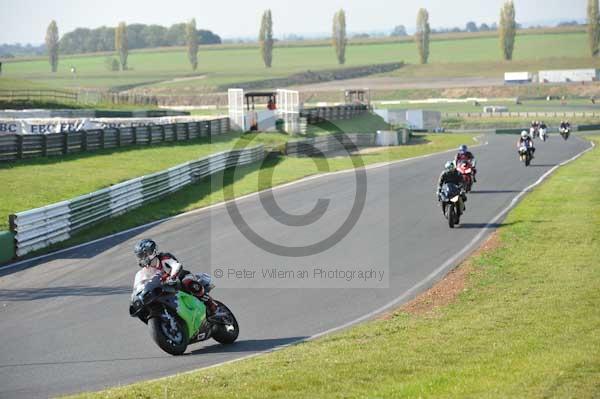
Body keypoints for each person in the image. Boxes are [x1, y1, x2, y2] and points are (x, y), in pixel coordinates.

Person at [133, 239, 221, 318]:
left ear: (153, 251)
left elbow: (176, 265)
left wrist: (172, 277)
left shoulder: (164, 257)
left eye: (144, 255)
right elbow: (138, 286)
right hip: (163, 289)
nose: (142, 258)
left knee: (188, 282)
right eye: (140, 256)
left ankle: (212, 306)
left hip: (179, 279)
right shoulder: (142, 273)